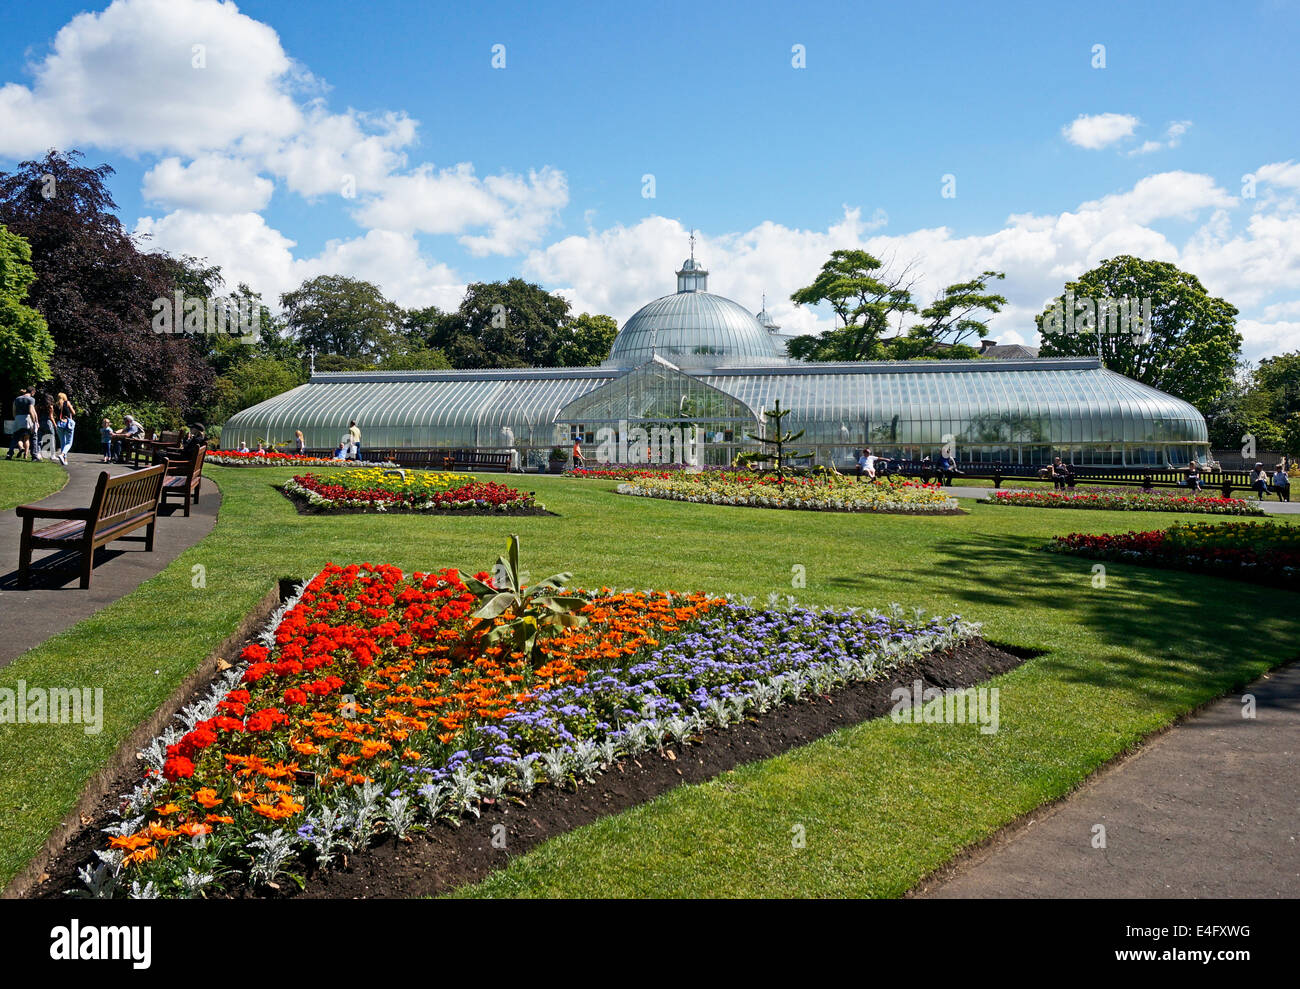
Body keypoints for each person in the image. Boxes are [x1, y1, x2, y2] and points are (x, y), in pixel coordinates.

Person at [6, 386, 36, 460]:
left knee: (15, 437)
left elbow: (14, 410)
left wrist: (16, 418)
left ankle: (9, 454)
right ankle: (29, 455)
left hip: (18, 418)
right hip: (27, 419)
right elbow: (31, 411)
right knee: (29, 437)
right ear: (32, 392)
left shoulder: (17, 399)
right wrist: (34, 421)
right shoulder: (31, 399)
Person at [55, 392, 76, 465]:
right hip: (67, 423)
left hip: (60, 424)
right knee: (69, 443)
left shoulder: (56, 405)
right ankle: (63, 455)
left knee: (62, 442)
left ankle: (65, 460)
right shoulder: (67, 403)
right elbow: (73, 413)